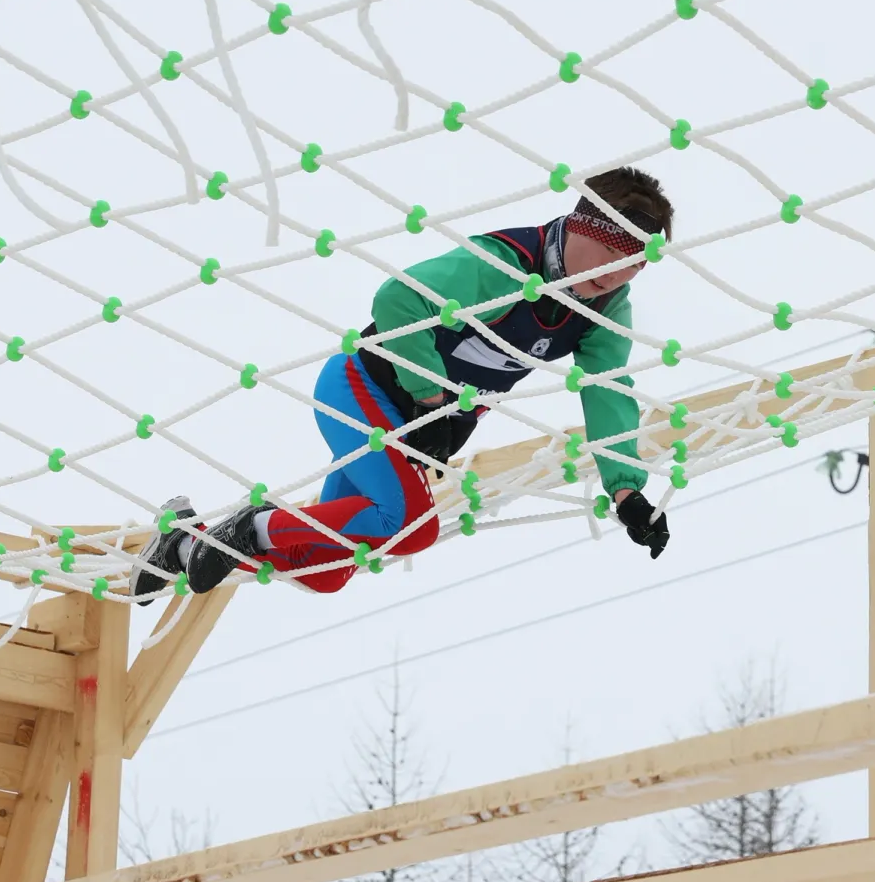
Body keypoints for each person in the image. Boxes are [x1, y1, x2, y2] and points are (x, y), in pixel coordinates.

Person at [131, 167, 675, 598]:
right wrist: (432, 397)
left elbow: (608, 389)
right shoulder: (508, 262)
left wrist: (626, 490)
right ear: (580, 226)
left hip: (420, 429)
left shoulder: (605, 308)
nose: (614, 272)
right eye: (609, 251)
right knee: (410, 525)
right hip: (364, 390)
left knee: (327, 572)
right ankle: (250, 526)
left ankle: (181, 542)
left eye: (634, 265)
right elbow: (399, 299)